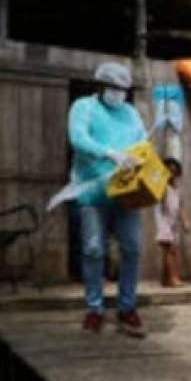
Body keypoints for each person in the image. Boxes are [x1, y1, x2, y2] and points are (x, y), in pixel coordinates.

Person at [68, 61, 147, 337]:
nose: (118, 93)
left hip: (126, 192)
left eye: (123, 89)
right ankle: (94, 308)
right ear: (101, 86)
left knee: (133, 248)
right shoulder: (83, 107)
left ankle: (127, 306)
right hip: (92, 191)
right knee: (92, 249)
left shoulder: (131, 114)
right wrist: (110, 153)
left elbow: (142, 143)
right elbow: (77, 139)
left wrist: (140, 159)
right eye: (113, 88)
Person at [154, 158, 191, 287]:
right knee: (170, 250)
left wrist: (185, 221)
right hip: (164, 221)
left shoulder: (176, 188)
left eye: (174, 172)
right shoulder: (162, 187)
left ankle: (165, 279)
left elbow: (180, 206)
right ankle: (174, 278)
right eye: (169, 171)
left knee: (170, 251)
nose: (171, 174)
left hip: (173, 222)